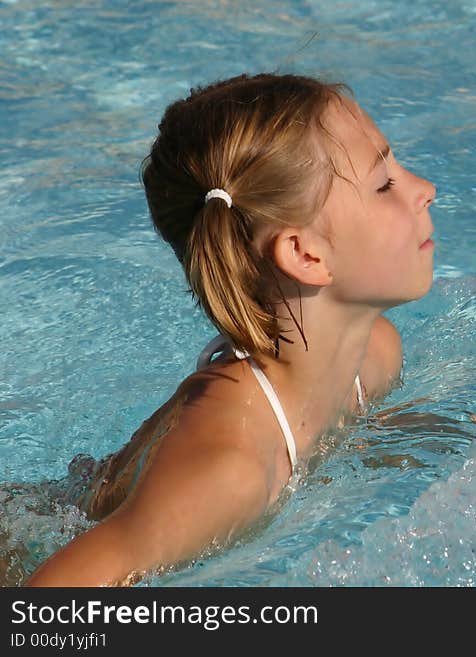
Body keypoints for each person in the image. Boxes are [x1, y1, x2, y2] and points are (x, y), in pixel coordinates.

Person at [24, 73, 436, 586]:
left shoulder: (376, 356)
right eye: (384, 184)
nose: (425, 190)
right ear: (305, 254)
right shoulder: (231, 468)